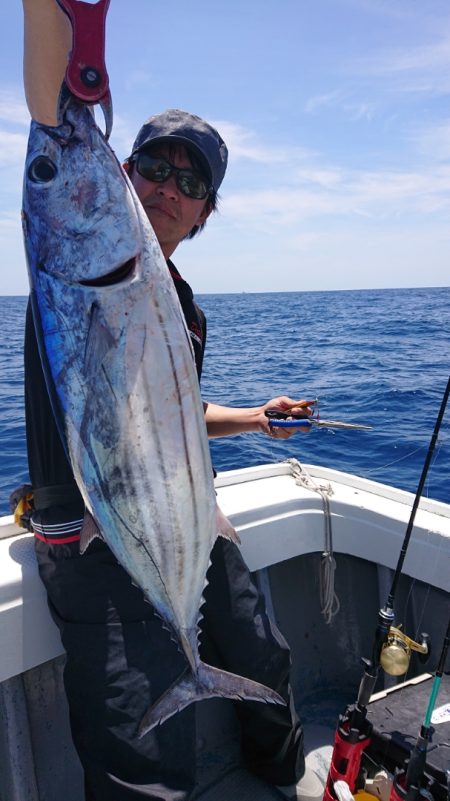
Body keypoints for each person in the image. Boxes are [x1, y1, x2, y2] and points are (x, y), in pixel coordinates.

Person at [21, 2, 324, 799]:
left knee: (264, 654)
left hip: (179, 514)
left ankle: (281, 776)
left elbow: (173, 417)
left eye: (191, 181)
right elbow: (52, 111)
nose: (169, 186)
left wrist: (256, 416)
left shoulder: (181, 307)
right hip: (89, 533)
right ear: (121, 175)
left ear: (205, 211)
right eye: (154, 166)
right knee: (138, 743)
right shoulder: (77, 272)